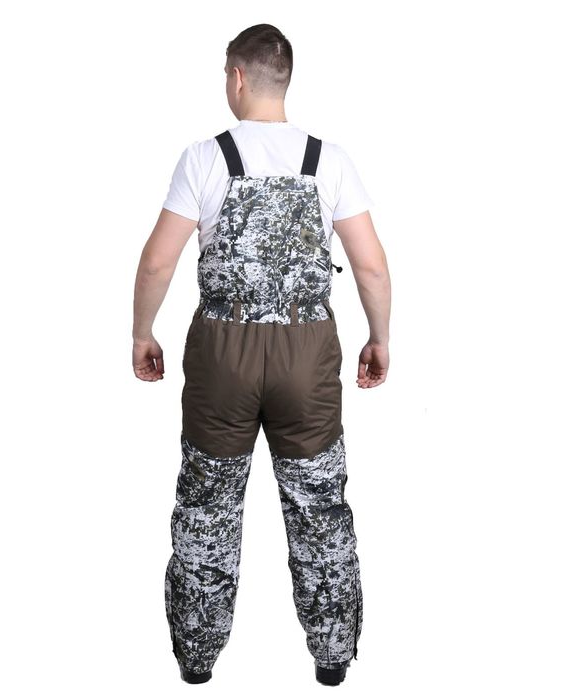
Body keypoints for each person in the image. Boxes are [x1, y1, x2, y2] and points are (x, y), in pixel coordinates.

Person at [132, 23, 391, 686]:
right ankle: (332, 658)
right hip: (308, 357)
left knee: (208, 511)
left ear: (238, 77)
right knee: (319, 510)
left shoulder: (204, 158)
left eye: (227, 75)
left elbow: (158, 261)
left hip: (223, 354)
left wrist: (142, 332)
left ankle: (196, 659)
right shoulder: (328, 160)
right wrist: (379, 337)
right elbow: (370, 267)